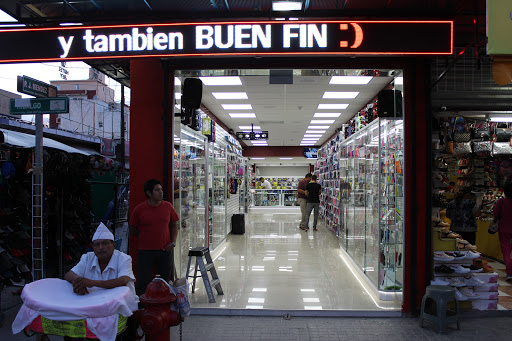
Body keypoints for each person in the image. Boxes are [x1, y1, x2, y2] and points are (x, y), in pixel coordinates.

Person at [129, 179, 179, 296]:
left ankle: (164, 308)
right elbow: (132, 229)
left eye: (161, 189)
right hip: (145, 252)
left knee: (164, 282)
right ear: (149, 193)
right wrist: (146, 237)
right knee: (143, 282)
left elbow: (173, 226)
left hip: (165, 250)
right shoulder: (139, 209)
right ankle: (142, 308)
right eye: (157, 190)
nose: (161, 192)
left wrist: (173, 242)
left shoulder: (168, 207)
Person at [64, 223, 136, 296]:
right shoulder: (88, 257)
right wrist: (79, 281)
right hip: (95, 301)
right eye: (97, 245)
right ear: (93, 247)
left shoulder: (124, 258)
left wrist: (92, 283)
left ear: (114, 245)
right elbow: (69, 274)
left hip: (120, 302)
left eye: (105, 243)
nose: (100, 247)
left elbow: (123, 280)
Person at [493, 182, 512, 281]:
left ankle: (509, 273)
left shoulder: (501, 202)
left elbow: (496, 214)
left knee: (506, 251)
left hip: (504, 229)